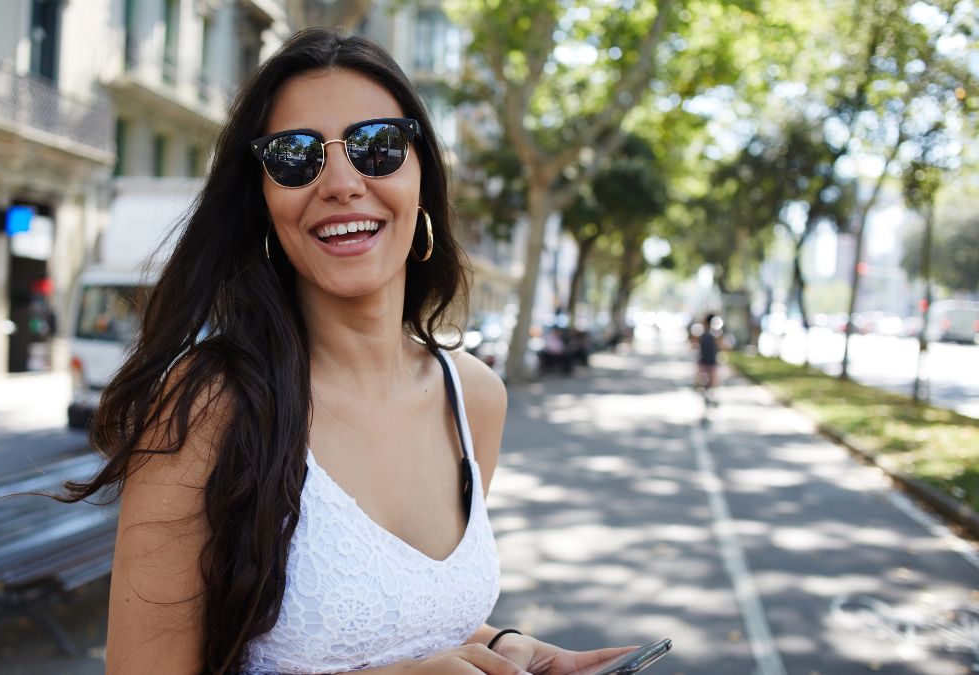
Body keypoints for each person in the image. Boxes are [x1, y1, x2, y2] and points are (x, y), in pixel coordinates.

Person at [66, 29, 636, 675]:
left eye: (377, 146)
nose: (340, 181)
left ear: (421, 174)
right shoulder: (206, 407)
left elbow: (403, 616)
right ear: (264, 201)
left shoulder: (475, 399)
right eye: (294, 156)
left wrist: (504, 647)